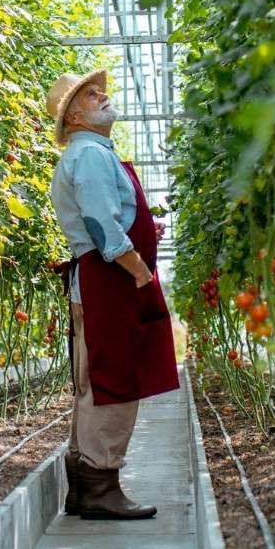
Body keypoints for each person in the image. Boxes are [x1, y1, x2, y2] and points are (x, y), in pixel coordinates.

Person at [45, 68, 179, 521]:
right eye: (91, 95)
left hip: (99, 280)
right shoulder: (91, 157)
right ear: (74, 118)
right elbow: (104, 225)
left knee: (94, 383)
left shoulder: (91, 154)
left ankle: (85, 487)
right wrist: (138, 269)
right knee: (114, 383)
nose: (103, 97)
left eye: (101, 91)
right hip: (111, 278)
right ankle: (101, 485)